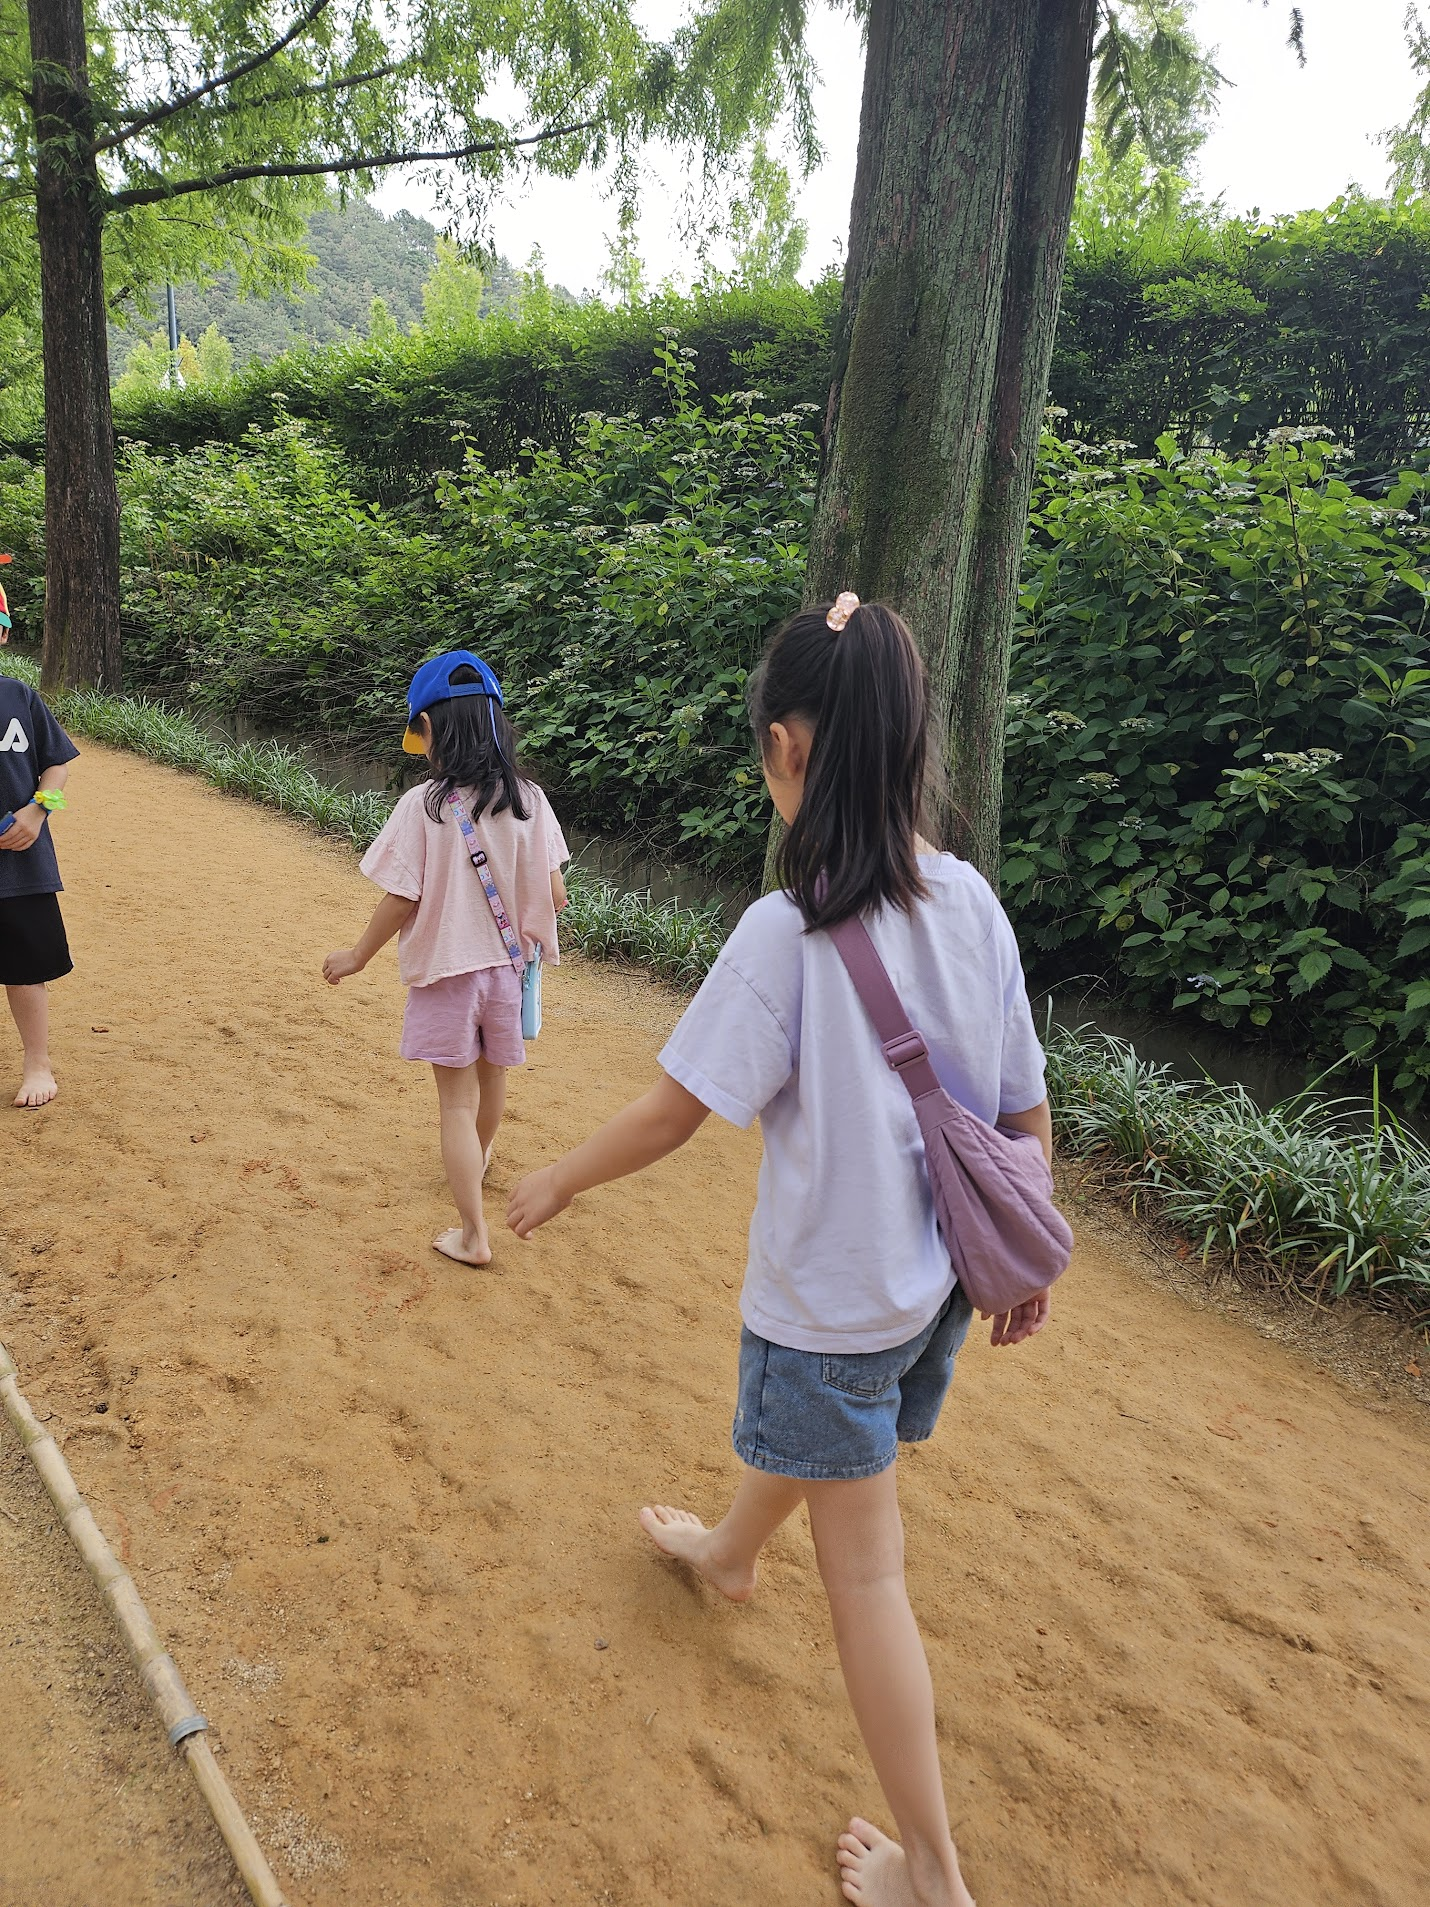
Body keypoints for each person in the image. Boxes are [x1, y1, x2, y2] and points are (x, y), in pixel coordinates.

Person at [507, 597, 1057, 1907]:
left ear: (785, 747)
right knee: (830, 1437)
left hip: (830, 1306)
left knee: (866, 1568)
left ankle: (933, 1871)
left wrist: (557, 1176)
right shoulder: (972, 903)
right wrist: (1025, 1255)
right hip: (933, 1292)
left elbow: (674, 1110)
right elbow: (1023, 1109)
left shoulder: (785, 932)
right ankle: (728, 1549)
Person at [324, 651, 568, 1267]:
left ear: (430, 728)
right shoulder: (531, 800)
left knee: (455, 1104)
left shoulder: (425, 806)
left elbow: (402, 896)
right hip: (507, 973)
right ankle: (477, 1161)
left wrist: (357, 955)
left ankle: (473, 1234)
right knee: (493, 1082)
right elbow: (556, 894)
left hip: (446, 974)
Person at [0, 564, 80, 1109]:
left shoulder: (19, 697)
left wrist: (37, 812)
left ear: (4, 633)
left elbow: (57, 766)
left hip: (20, 865)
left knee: (25, 968)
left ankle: (37, 1061)